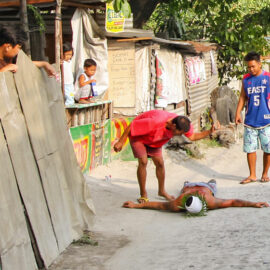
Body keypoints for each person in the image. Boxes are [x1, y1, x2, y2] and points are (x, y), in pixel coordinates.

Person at [114, 110, 216, 203]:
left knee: (160, 163)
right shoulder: (155, 122)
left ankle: (161, 191)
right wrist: (120, 142)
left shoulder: (184, 124)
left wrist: (209, 131)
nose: (180, 136)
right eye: (179, 133)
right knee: (143, 161)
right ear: (173, 126)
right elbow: (132, 127)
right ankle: (143, 194)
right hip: (139, 137)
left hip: (155, 141)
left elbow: (193, 136)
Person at [122, 179, 269, 213]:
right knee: (213, 183)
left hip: (188, 184)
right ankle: (211, 181)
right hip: (208, 187)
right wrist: (254, 203)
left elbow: (158, 205)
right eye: (198, 195)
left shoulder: (178, 202)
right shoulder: (210, 200)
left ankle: (186, 185)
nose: (196, 192)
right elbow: (233, 201)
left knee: (186, 184)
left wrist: (136, 205)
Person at [235, 51, 270, 184]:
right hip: (250, 121)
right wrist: (238, 113)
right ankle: (252, 175)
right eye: (249, 67)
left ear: (260, 64)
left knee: (268, 149)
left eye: (253, 66)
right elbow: (242, 97)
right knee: (250, 149)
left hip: (266, 120)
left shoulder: (267, 78)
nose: (251, 69)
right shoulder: (246, 79)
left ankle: (265, 173)